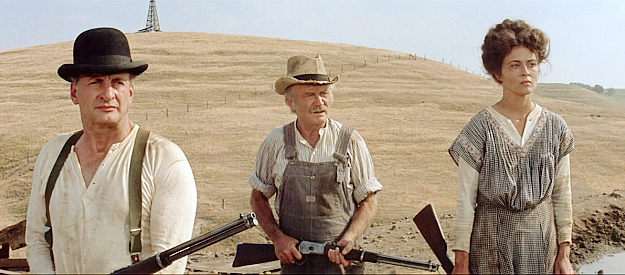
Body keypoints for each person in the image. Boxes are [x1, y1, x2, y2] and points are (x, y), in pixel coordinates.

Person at [25, 27, 197, 274]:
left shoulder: (164, 160)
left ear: (130, 92)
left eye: (118, 82)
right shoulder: (52, 155)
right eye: (96, 81)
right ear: (74, 92)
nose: (108, 94)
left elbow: (168, 265)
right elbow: (36, 240)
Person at [448, 19, 575, 274]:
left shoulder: (556, 127)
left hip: (540, 243)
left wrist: (564, 255)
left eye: (531, 64)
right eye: (515, 65)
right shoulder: (479, 127)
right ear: (498, 73)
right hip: (489, 244)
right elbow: (465, 199)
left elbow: (562, 195)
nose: (525, 72)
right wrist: (461, 260)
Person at [249, 55, 382, 274]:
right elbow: (258, 197)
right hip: (295, 264)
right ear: (291, 102)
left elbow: (369, 201)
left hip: (342, 264)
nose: (319, 102)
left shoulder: (351, 141)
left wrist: (349, 239)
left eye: (324, 93)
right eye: (310, 95)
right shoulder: (276, 142)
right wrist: (278, 239)